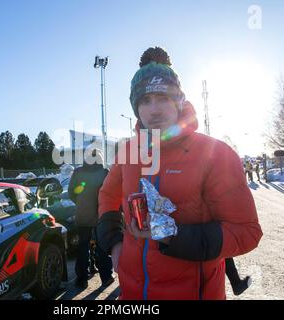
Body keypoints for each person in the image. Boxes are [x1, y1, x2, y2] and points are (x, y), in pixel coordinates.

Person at [96, 47, 262, 300]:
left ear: (178, 102)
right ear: (136, 107)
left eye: (163, 98)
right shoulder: (128, 151)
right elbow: (107, 195)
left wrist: (172, 235)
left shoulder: (214, 153)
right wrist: (114, 243)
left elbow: (246, 231)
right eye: (145, 100)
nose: (154, 110)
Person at [68, 149, 114, 289]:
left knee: (83, 246)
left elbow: (71, 192)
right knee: (102, 246)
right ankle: (106, 277)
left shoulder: (78, 172)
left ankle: (82, 279)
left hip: (83, 215)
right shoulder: (105, 172)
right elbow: (111, 192)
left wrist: (81, 204)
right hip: (101, 214)